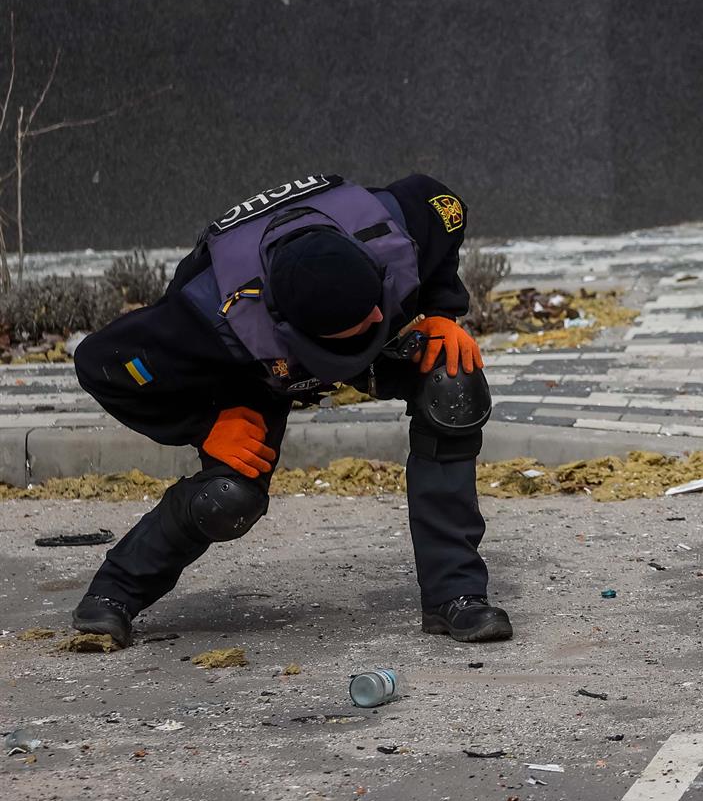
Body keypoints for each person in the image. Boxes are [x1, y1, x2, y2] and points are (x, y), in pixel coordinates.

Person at [66, 173, 511, 647]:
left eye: (376, 304)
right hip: (251, 371)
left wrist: (442, 309)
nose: (380, 315)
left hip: (354, 345)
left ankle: (456, 597)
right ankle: (113, 594)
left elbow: (443, 203)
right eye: (365, 317)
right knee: (228, 497)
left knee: (453, 382)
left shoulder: (390, 229)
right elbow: (99, 364)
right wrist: (207, 425)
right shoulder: (200, 316)